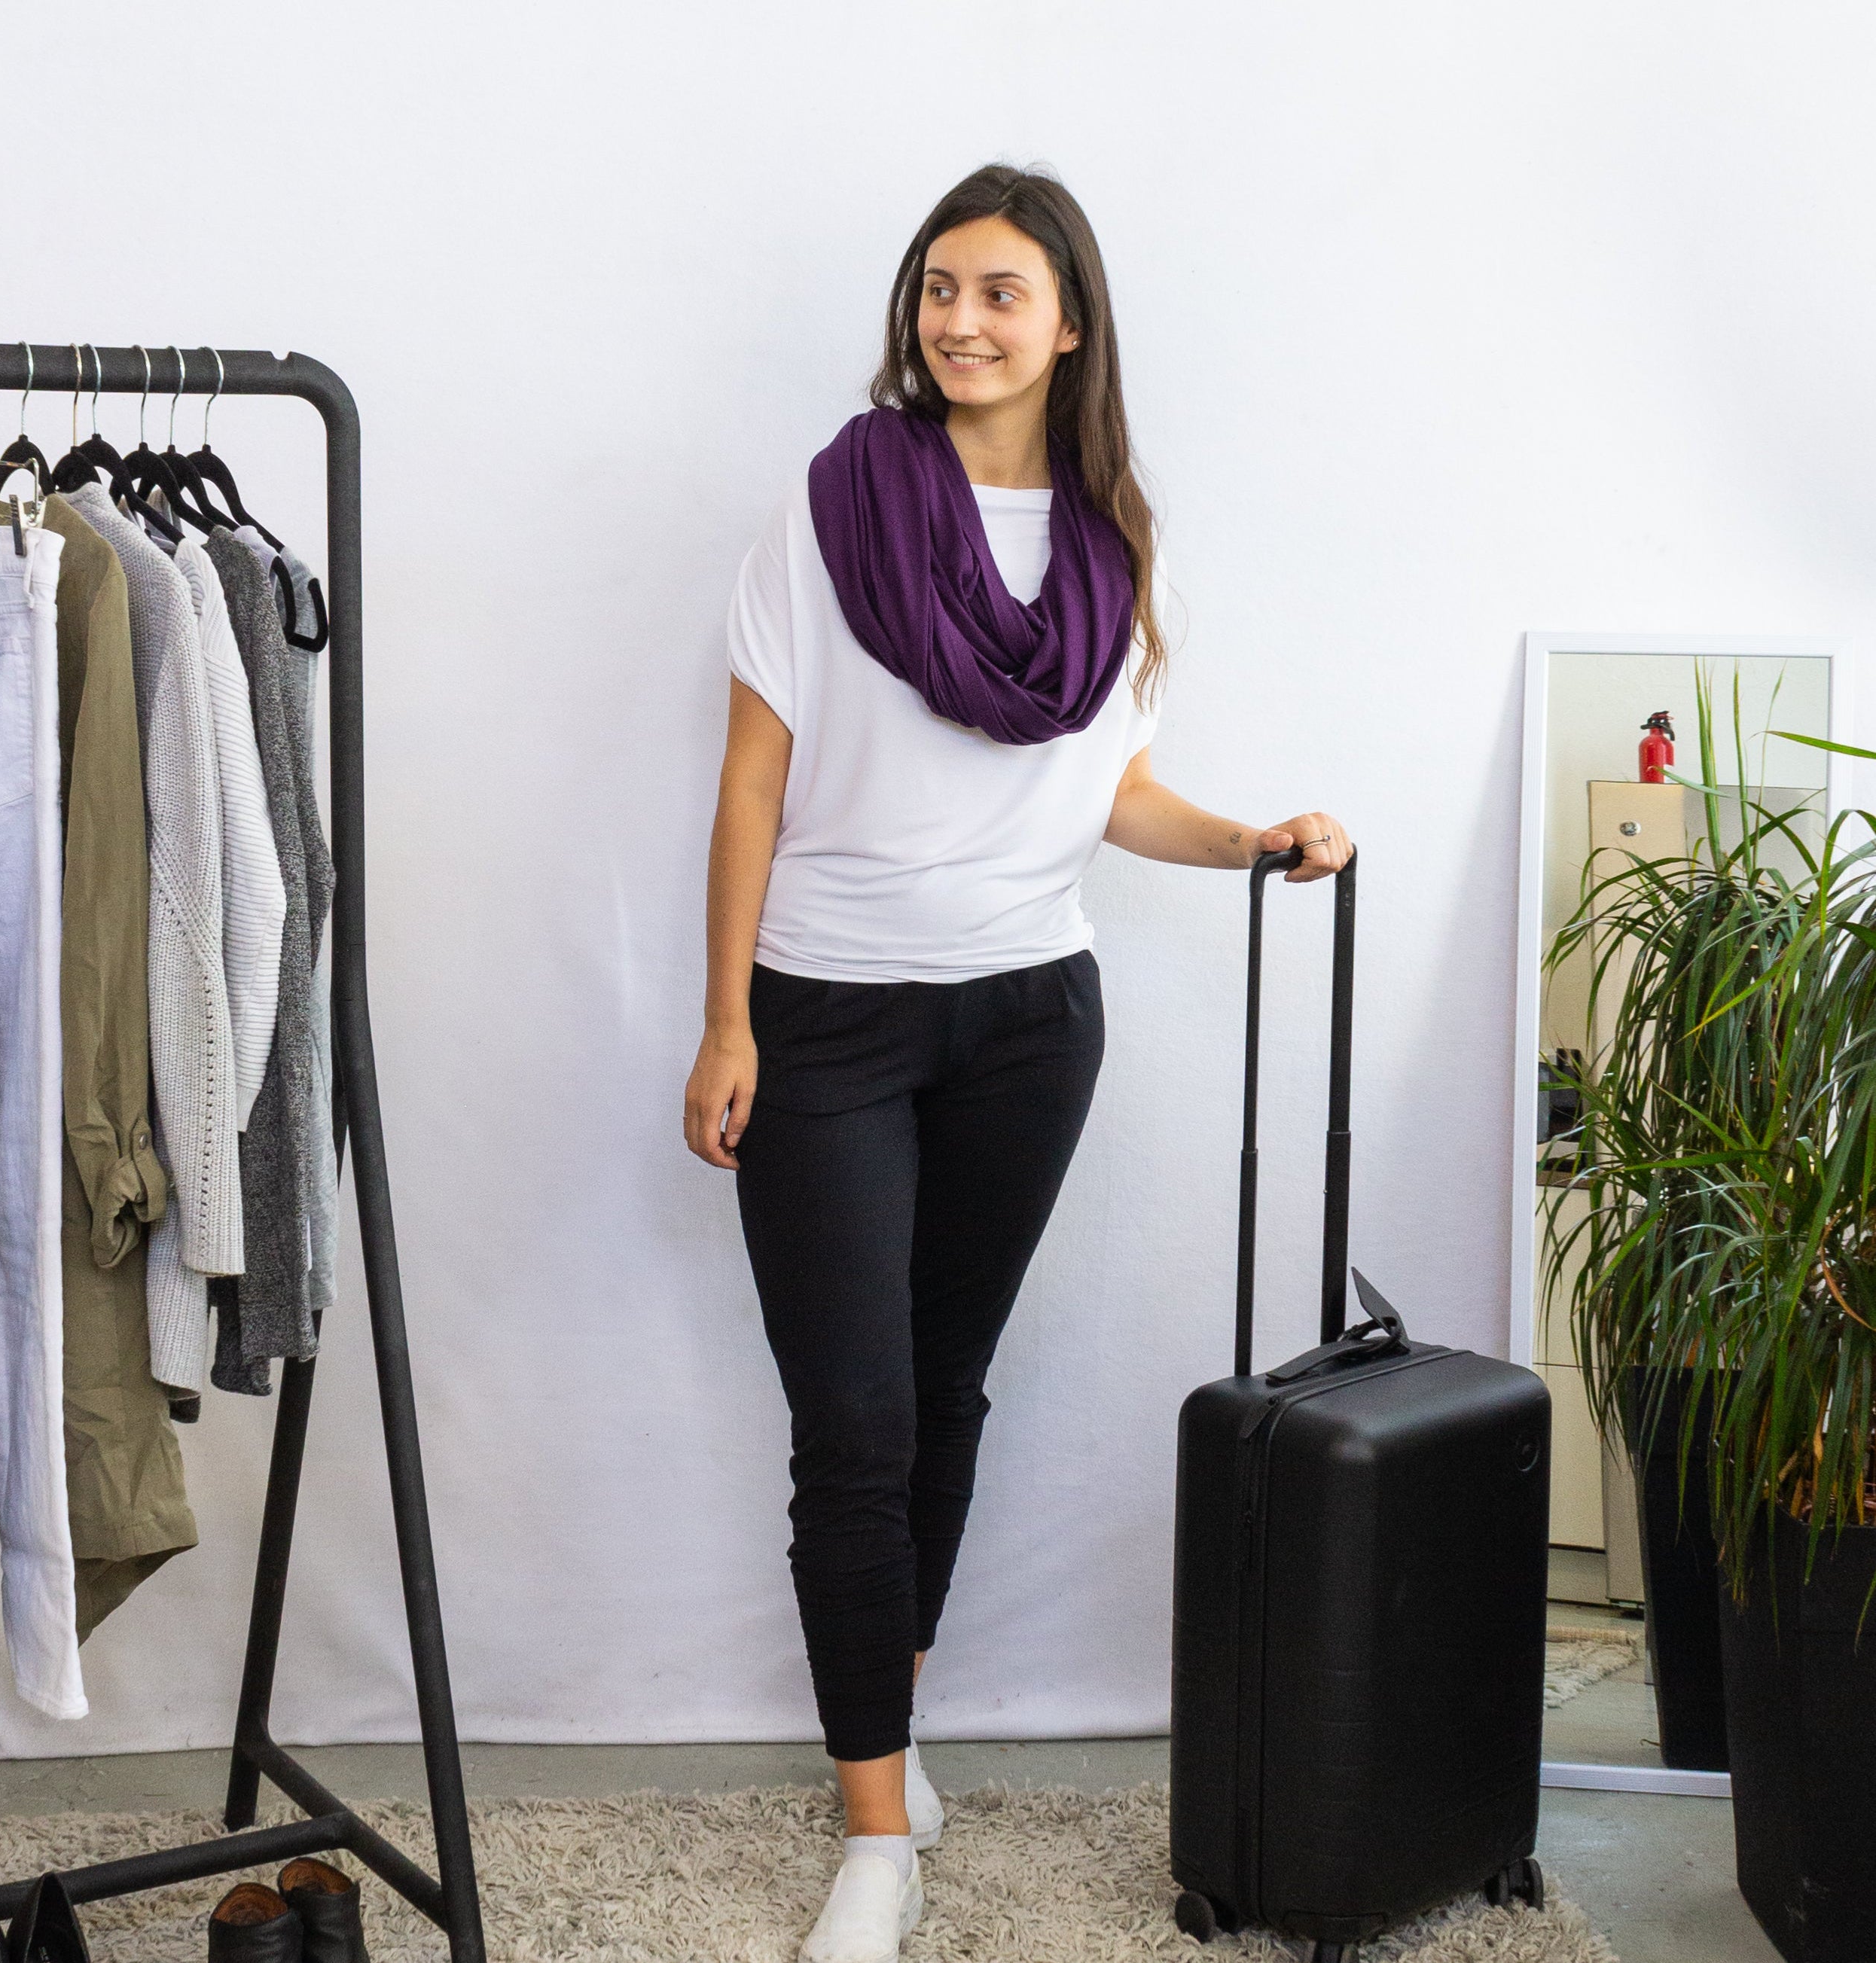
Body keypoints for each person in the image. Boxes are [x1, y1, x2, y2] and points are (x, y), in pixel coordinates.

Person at [684, 163, 1352, 1963]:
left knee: (945, 1388)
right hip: (825, 1012)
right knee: (856, 1422)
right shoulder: (828, 516)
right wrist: (728, 1012)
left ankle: (884, 1746)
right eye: (936, 289)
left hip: (1026, 1018)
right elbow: (752, 775)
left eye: (997, 293)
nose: (958, 322)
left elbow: (1098, 785)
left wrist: (1249, 839)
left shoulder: (1113, 545)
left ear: (1067, 323)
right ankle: (876, 1833)